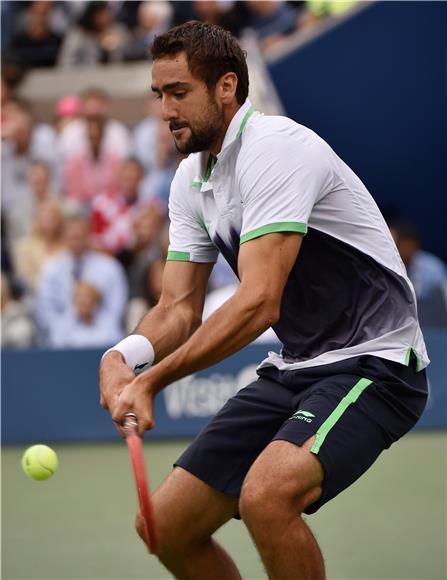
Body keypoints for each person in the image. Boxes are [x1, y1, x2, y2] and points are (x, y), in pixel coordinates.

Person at [99, 21, 429, 579]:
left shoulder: (276, 149)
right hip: (298, 367)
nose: (165, 111)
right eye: (160, 95)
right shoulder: (190, 180)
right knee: (165, 527)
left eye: (179, 93)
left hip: (377, 363)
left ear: (226, 87)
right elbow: (178, 308)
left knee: (266, 497)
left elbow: (258, 304)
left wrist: (153, 381)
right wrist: (124, 358)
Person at [36, 213, 127, 348]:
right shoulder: (51, 269)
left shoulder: (110, 267)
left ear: (88, 236)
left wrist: (93, 319)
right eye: (72, 237)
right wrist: (72, 317)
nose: (76, 241)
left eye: (80, 236)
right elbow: (46, 312)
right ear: (63, 238)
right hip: (61, 339)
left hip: (104, 336)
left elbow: (116, 309)